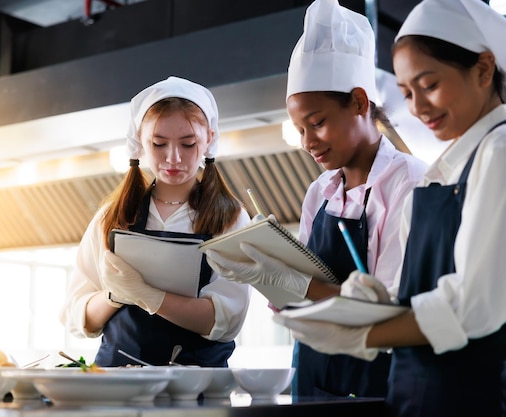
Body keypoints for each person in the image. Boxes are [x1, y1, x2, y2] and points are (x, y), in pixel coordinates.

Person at [273, 0, 506, 415]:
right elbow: (423, 289)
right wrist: (378, 298)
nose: (417, 108)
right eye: (406, 93)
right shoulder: (449, 169)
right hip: (418, 392)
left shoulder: (498, 154)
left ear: (484, 70)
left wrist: (361, 333)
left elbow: (471, 306)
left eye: (429, 85)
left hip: (465, 396)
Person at [205, 0, 427, 399]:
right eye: (299, 128)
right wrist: (269, 274)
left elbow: (389, 310)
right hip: (311, 375)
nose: (307, 143)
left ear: (359, 102)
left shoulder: (408, 182)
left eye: (318, 123)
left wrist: (292, 281)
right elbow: (300, 298)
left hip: (376, 380)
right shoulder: (319, 192)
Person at [59, 76, 252, 367]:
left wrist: (149, 296)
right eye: (159, 144)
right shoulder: (112, 216)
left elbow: (225, 321)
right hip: (117, 385)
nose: (173, 158)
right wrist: (114, 296)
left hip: (194, 388)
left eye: (188, 144)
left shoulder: (230, 218)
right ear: (140, 140)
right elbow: (77, 317)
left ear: (209, 139)